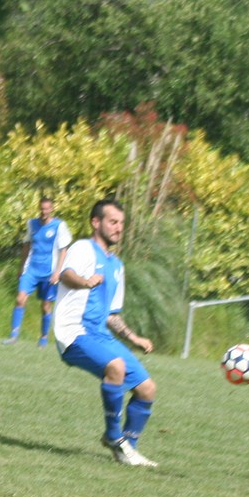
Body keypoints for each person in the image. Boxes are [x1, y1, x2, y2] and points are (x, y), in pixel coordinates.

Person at [52, 198, 158, 467]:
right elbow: (66, 275)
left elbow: (111, 314)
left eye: (121, 223)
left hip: (101, 335)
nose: (119, 228)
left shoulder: (117, 265)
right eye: (113, 222)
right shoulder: (83, 248)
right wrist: (85, 282)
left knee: (147, 389)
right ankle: (113, 436)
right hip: (74, 332)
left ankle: (127, 449)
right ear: (95, 222)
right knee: (116, 367)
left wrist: (134, 338)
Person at [4, 195, 71, 346]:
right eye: (42, 209)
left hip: (49, 272)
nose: (44, 212)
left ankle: (43, 338)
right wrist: (21, 267)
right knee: (20, 299)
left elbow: (63, 250)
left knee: (46, 306)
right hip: (31, 270)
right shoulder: (32, 224)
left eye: (47, 209)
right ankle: (13, 335)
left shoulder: (59, 226)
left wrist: (57, 272)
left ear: (51, 209)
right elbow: (26, 245)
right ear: (39, 208)